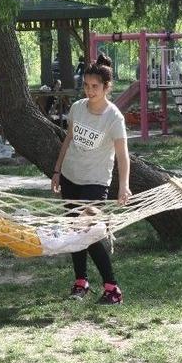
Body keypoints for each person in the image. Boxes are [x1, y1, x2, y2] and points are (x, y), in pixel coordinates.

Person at [51, 53, 131, 305]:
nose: (89, 90)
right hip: (70, 176)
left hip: (96, 181)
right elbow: (68, 139)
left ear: (107, 87)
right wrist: (57, 170)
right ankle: (81, 282)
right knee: (75, 231)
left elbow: (122, 155)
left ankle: (112, 289)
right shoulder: (77, 108)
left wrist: (124, 186)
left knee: (90, 232)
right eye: (86, 85)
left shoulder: (114, 117)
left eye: (95, 86)